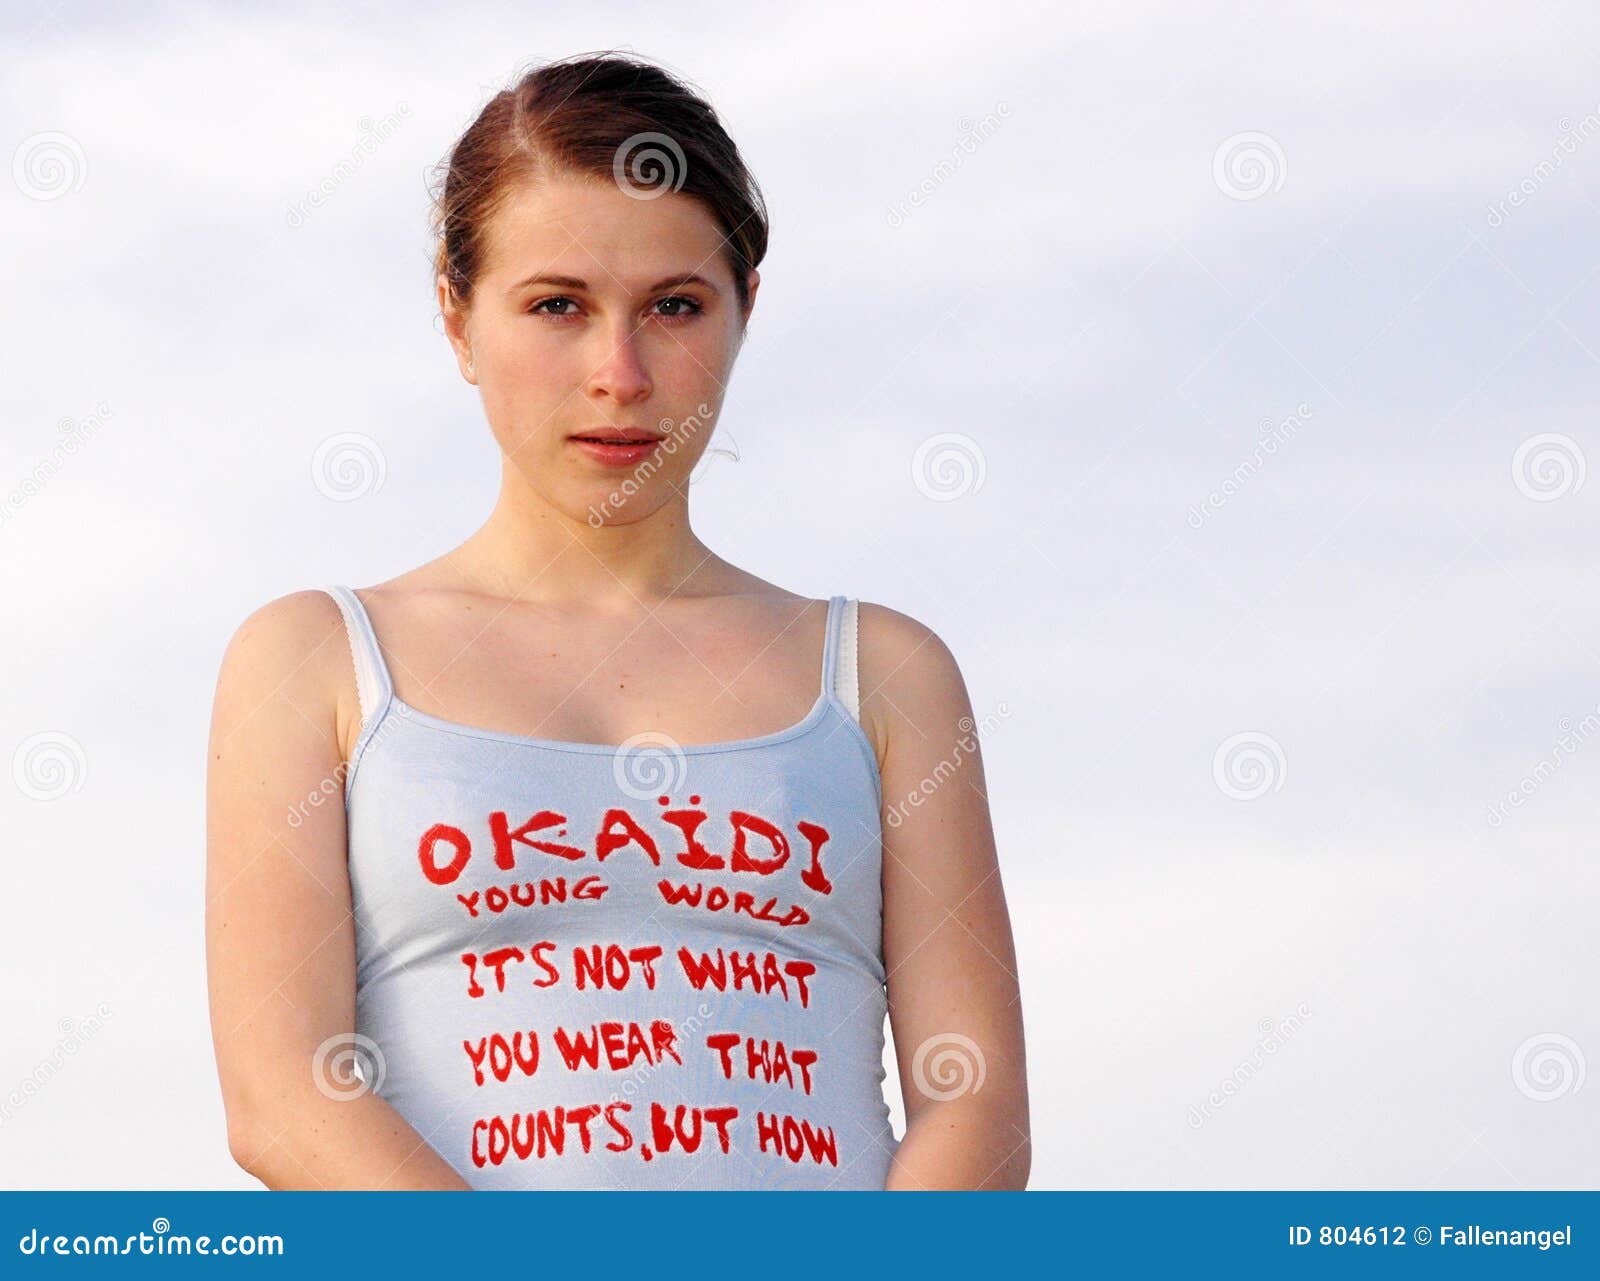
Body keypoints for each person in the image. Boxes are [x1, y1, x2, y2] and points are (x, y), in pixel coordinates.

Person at [204, 51, 1029, 1191]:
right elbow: (284, 1102)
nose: (620, 374)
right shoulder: (315, 660)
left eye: (675, 306)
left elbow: (976, 1109)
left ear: (746, 311)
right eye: (556, 306)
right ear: (456, 317)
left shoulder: (883, 673)